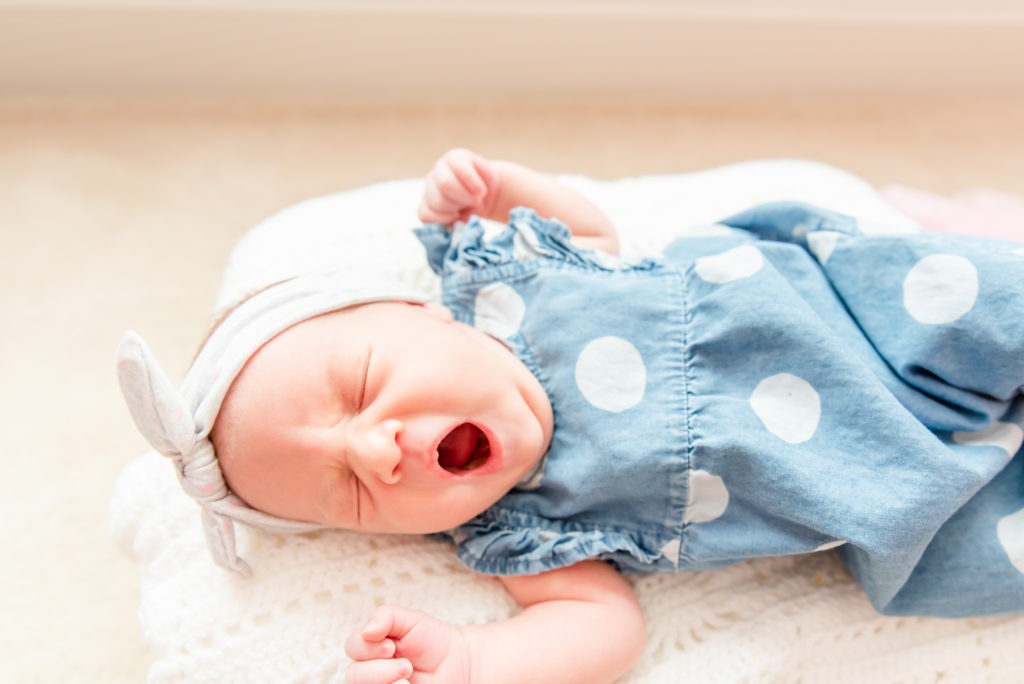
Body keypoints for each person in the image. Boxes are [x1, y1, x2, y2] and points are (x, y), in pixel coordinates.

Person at [118, 149, 1024, 684]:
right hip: (887, 480)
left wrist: (510, 188)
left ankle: (988, 230)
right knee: (974, 550)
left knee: (986, 295)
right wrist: (474, 663)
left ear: (421, 312)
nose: (379, 449)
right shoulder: (522, 529)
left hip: (876, 313)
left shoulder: (513, 283)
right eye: (351, 492)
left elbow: (595, 234)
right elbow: (603, 631)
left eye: (360, 387)